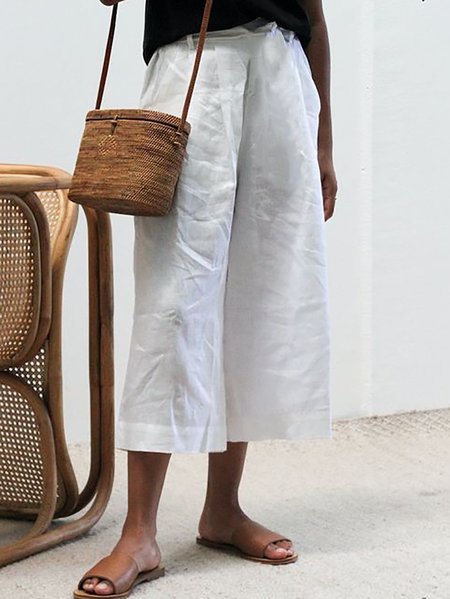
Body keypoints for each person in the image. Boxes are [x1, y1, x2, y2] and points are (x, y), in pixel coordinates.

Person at [74, 0, 337, 596]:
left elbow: (316, 20)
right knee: (172, 304)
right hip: (190, 71)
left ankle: (222, 510)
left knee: (257, 294)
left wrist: (324, 145)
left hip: (281, 75)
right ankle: (139, 534)